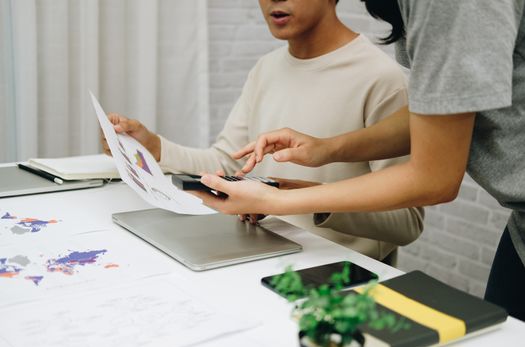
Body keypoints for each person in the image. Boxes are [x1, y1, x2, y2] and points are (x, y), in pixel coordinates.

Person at [196, 0, 525, 321]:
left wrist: (283, 200)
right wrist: (328, 149)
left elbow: (433, 179)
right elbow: (439, 107)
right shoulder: (266, 69)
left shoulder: (437, 18)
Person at [101, 0, 424, 263]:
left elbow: (407, 222)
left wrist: (302, 201)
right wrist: (155, 148)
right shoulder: (266, 69)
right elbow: (228, 164)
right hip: (259, 255)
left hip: (335, 278)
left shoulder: (383, 80)